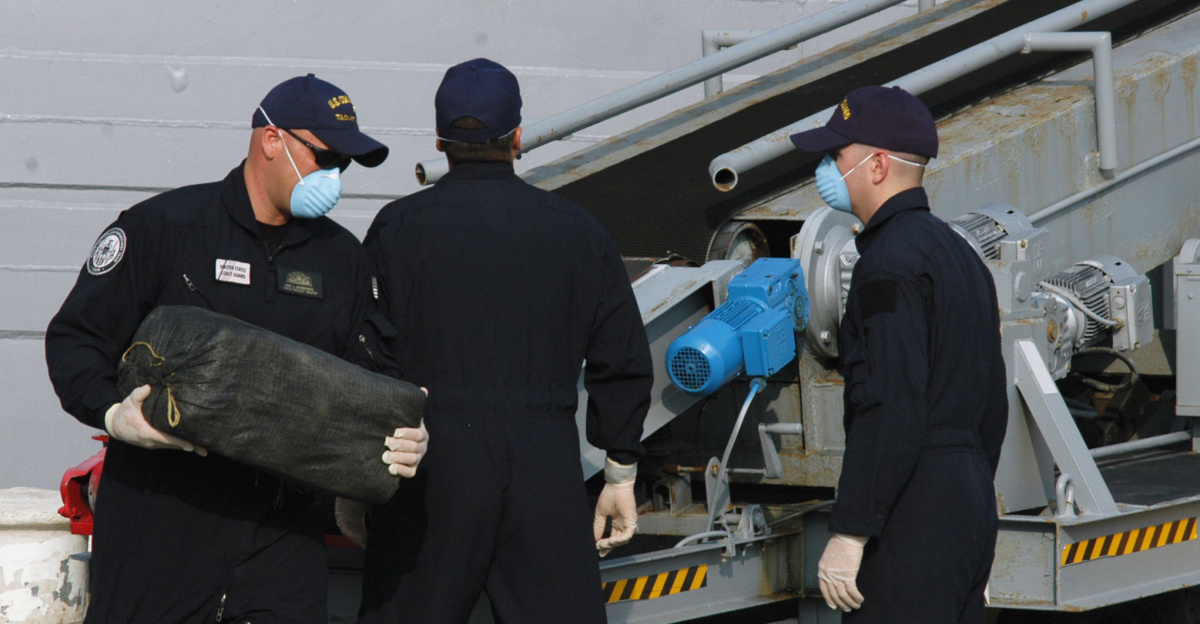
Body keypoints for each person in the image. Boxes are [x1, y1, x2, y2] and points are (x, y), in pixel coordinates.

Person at [44, 74, 429, 624]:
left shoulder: (342, 260)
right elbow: (76, 339)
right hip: (161, 513)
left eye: (345, 165)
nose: (335, 177)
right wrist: (112, 411)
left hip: (281, 526)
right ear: (271, 140)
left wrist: (404, 431)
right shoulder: (164, 229)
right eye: (325, 157)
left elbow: (374, 374)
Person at [351, 58, 653, 624]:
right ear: (517, 137)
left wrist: (358, 474)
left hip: (432, 465)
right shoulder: (576, 229)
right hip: (544, 464)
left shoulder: (396, 228)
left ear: (440, 141)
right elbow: (622, 357)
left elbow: (365, 350)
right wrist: (620, 468)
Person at [788, 85, 1007, 623]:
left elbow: (888, 404)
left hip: (914, 505)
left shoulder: (885, 265)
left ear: (877, 165)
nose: (826, 168)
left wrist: (850, 529)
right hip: (967, 493)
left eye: (836, 156)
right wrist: (967, 508)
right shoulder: (959, 253)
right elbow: (992, 400)